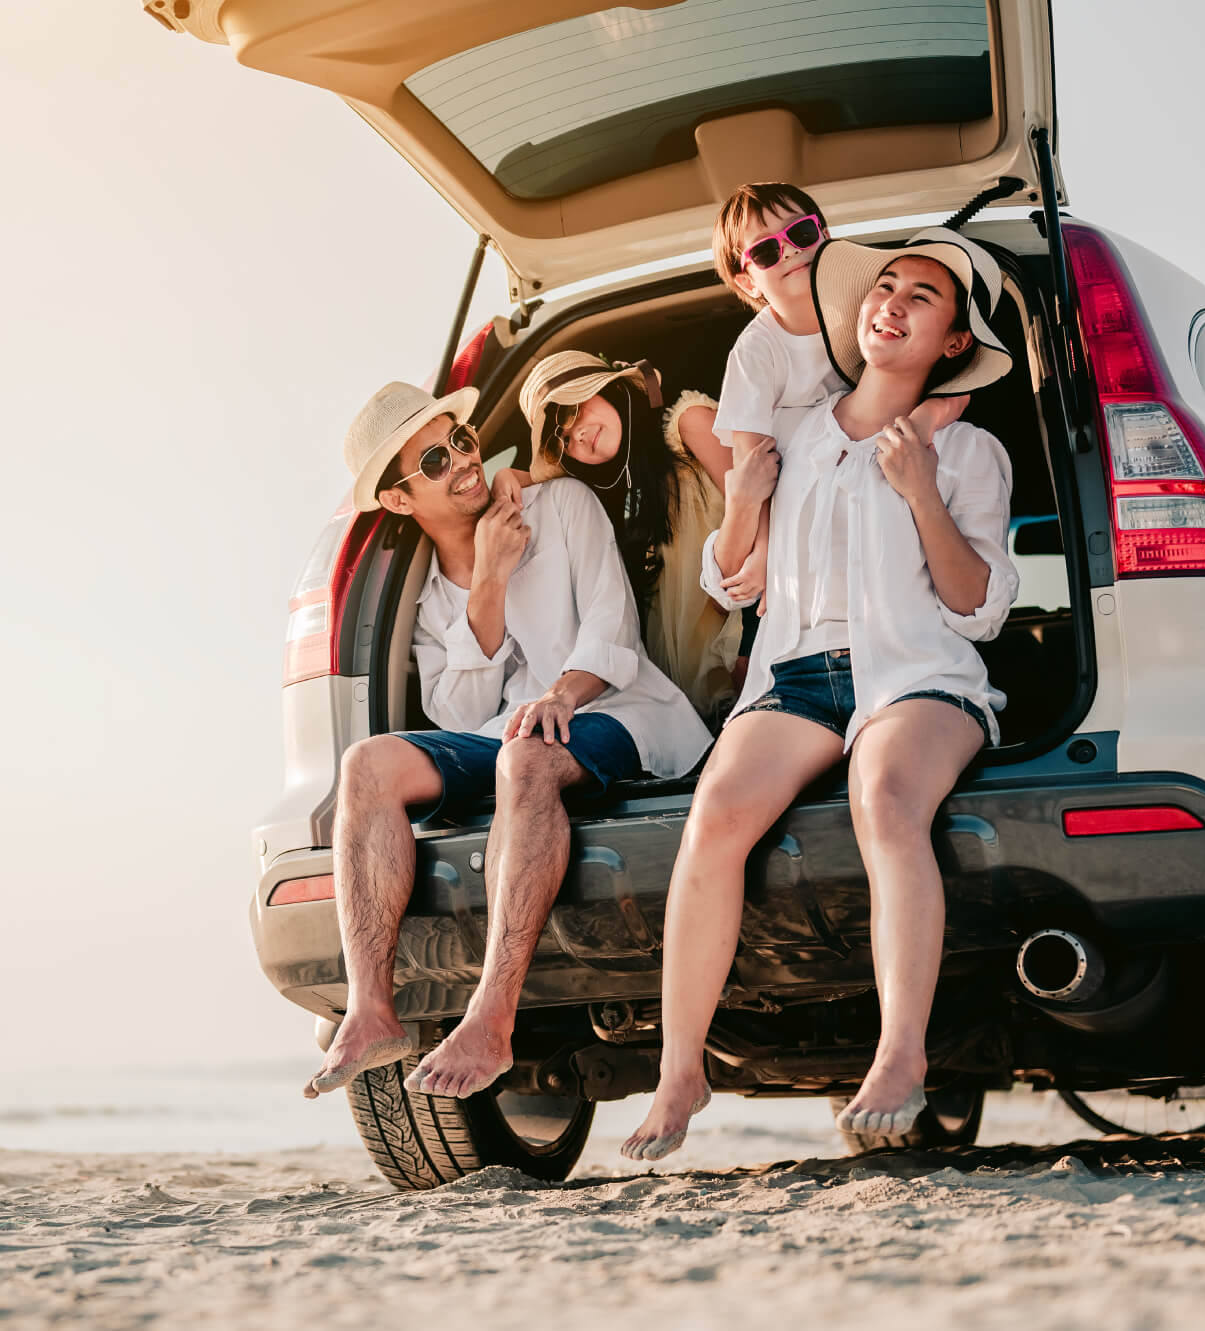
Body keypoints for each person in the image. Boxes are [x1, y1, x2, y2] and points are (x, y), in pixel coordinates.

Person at [619, 228, 1020, 1161]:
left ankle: (900, 1056)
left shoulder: (970, 454)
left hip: (917, 675)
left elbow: (979, 608)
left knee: (884, 800)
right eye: (885, 286)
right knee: (713, 818)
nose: (894, 301)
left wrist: (921, 491)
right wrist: (745, 500)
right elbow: (735, 583)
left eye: (923, 297)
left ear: (953, 342)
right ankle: (683, 1068)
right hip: (796, 675)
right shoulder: (794, 432)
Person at [303, 381, 713, 1103]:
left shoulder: (559, 507)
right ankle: (371, 1010)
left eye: (460, 440)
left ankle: (492, 1016)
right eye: (435, 459)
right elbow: (457, 708)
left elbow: (612, 634)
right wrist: (487, 576)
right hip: (512, 733)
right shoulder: (428, 599)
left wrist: (559, 695)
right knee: (366, 764)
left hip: (622, 711)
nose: (463, 459)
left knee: (525, 754)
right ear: (400, 499)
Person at [710, 183, 968, 611]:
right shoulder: (757, 351)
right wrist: (767, 554)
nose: (790, 251)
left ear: (824, 236)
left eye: (802, 234)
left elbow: (959, 389)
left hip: (867, 465)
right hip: (794, 483)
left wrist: (922, 423)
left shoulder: (870, 310)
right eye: (767, 253)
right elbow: (754, 469)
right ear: (747, 281)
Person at [493, 353, 744, 724]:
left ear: (609, 388)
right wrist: (506, 475)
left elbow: (764, 516)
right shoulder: (604, 493)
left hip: (746, 639)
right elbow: (545, 480)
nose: (576, 432)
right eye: (562, 438)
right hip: (683, 691)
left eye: (572, 410)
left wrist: (752, 637)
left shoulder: (687, 424)